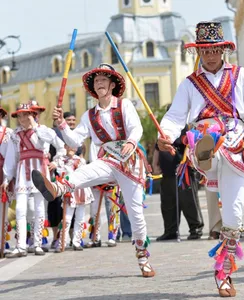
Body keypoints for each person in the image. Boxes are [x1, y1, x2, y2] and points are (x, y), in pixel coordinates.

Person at [157, 21, 244, 297]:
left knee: (234, 218)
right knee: (206, 129)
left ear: (223, 49)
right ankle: (205, 155)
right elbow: (175, 116)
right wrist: (165, 135)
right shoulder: (189, 84)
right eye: (205, 50)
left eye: (215, 49)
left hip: (235, 144)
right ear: (198, 52)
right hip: (204, 137)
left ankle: (223, 272)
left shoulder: (241, 75)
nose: (210, 55)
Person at [31, 63, 155, 277]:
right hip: (108, 161)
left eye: (104, 79)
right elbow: (75, 140)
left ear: (112, 84)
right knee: (84, 172)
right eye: (96, 80)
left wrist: (132, 142)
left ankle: (143, 256)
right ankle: (57, 188)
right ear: (93, 87)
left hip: (130, 163)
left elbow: (136, 127)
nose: (99, 83)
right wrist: (61, 124)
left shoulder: (124, 105)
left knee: (136, 214)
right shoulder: (89, 115)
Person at [1, 102, 65, 258]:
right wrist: (7, 178)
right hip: (23, 173)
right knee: (21, 209)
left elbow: (60, 146)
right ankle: (21, 245)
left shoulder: (42, 131)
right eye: (20, 115)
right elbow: (11, 158)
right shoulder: (15, 135)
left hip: (39, 172)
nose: (22, 118)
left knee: (38, 208)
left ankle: (37, 243)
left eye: (26, 114)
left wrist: (56, 162)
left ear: (33, 115)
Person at [153, 125, 204, 241]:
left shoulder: (184, 129)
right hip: (167, 173)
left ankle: (195, 229)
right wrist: (155, 164)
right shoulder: (163, 129)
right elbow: (157, 148)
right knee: (168, 204)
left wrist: (183, 163)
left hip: (183, 172)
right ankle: (170, 231)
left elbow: (190, 146)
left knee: (189, 202)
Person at [53, 143, 94, 252]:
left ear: (76, 148)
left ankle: (77, 241)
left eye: (73, 146)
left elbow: (83, 174)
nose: (71, 148)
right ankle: (63, 242)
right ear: (65, 146)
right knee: (66, 218)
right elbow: (60, 173)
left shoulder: (81, 161)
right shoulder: (60, 160)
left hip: (80, 190)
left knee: (80, 217)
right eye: (68, 145)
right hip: (69, 191)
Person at [0, 106, 13, 257]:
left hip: (2, 171)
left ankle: (2, 243)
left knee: (3, 210)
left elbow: (10, 156)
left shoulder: (8, 133)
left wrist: (7, 177)